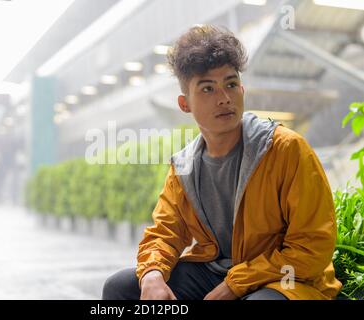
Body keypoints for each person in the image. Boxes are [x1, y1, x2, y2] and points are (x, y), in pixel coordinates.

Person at [102, 25, 342, 300]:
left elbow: (312, 247)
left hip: (287, 278)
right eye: (207, 88)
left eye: (230, 84)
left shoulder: (285, 149)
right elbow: (164, 233)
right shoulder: (184, 167)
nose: (224, 98)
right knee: (121, 288)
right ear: (185, 104)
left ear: (242, 89)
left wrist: (235, 284)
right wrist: (152, 273)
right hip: (216, 274)